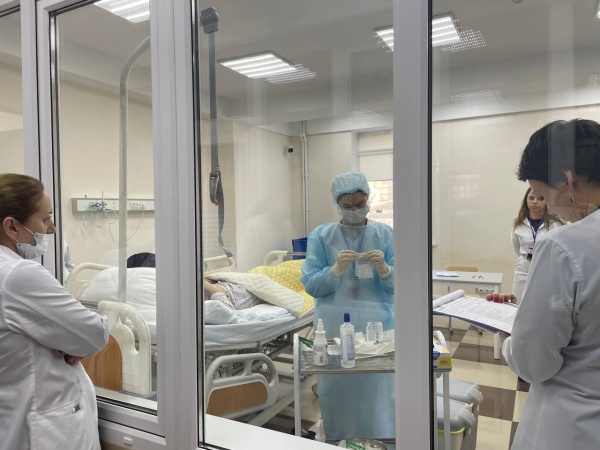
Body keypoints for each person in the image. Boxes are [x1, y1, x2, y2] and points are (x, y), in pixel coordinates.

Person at [502, 119, 600, 449]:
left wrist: (509, 340)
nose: (544, 204)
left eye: (544, 195)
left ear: (569, 183)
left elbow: (534, 362)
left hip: (573, 422)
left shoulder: (564, 245)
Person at [0, 174, 108, 450]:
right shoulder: (17, 275)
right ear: (12, 226)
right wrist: (78, 338)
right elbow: (94, 334)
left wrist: (71, 334)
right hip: (41, 431)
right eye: (45, 218)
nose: (52, 228)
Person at [300, 171, 394, 440]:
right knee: (338, 389)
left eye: (360, 204)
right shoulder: (322, 236)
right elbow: (312, 286)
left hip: (378, 326)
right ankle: (338, 437)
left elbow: (401, 286)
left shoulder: (386, 234)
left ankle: (383, 438)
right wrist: (335, 270)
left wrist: (385, 270)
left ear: (368, 199)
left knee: (378, 391)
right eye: (347, 206)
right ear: (337, 205)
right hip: (335, 325)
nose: (354, 211)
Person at [511, 187, 563, 302]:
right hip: (524, 267)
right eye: (531, 198)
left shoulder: (556, 224)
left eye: (540, 199)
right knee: (518, 302)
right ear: (526, 200)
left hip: (546, 267)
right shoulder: (518, 224)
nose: (535, 202)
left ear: (547, 201)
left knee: (542, 303)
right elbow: (517, 248)